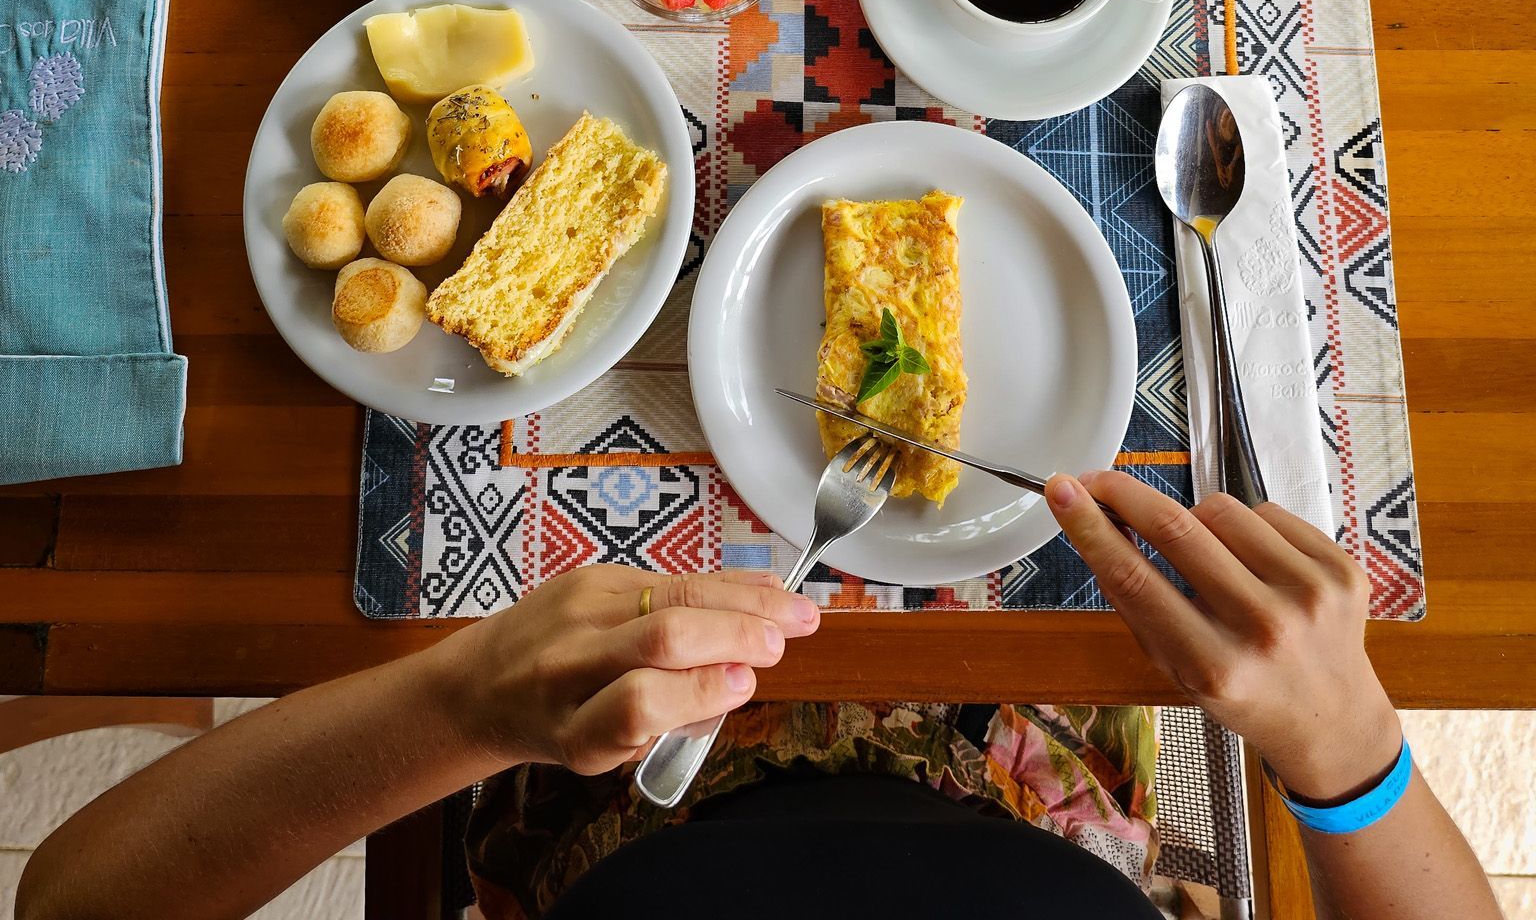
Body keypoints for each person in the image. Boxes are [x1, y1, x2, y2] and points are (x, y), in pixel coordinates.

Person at [16, 472, 1499, 920]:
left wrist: (466, 700)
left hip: (586, 790)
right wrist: (1351, 751)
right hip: (1042, 773)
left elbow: (83, 905)